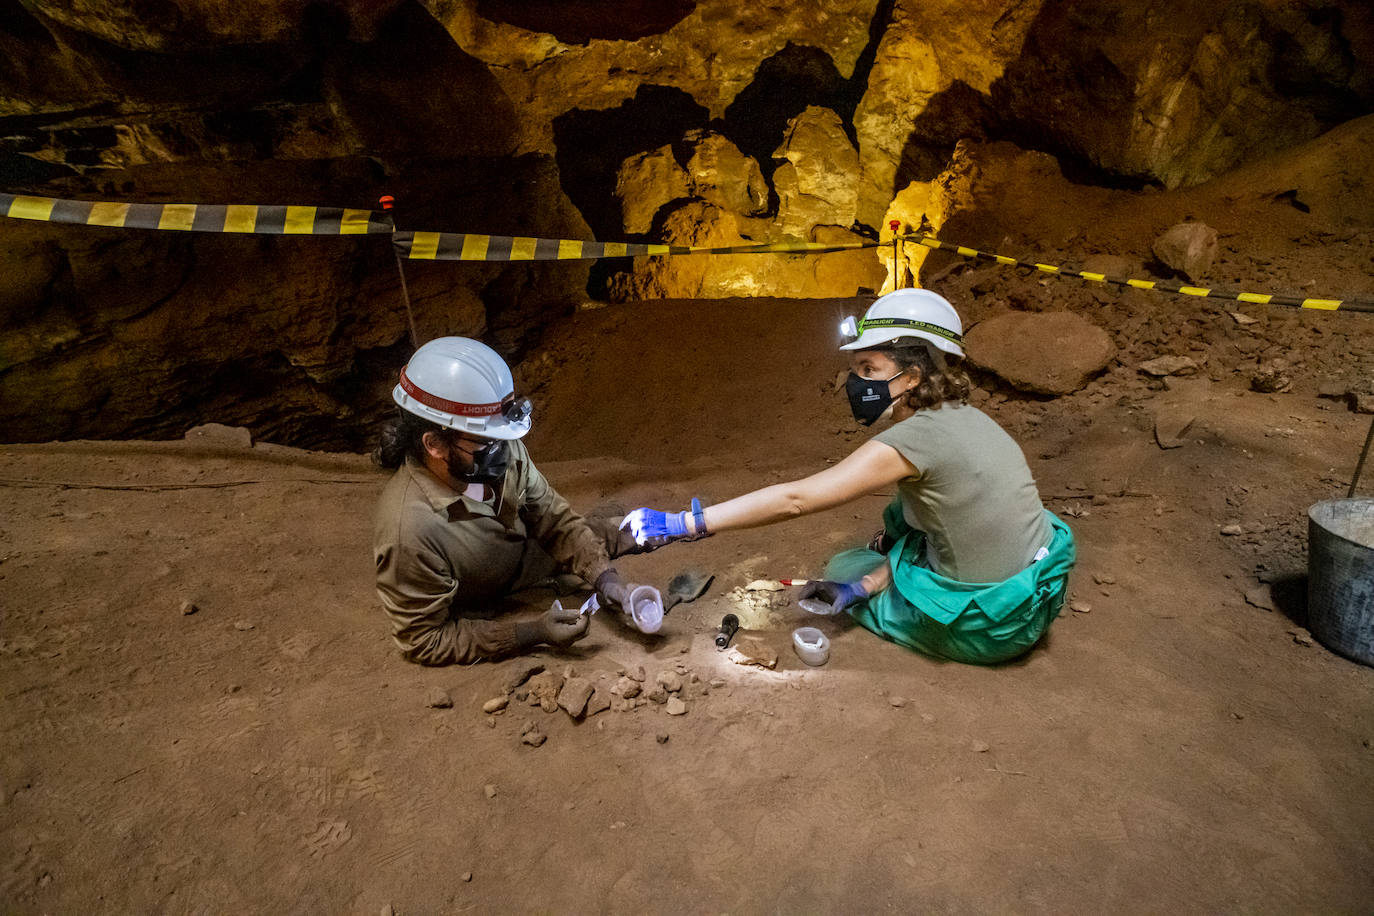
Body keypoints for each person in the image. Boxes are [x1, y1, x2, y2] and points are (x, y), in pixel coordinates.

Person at [621, 289, 1075, 665]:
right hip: (1036, 596)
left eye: (869, 370)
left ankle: (899, 603)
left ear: (913, 375)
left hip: (993, 629)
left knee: (844, 563)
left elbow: (797, 499)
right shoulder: (965, 418)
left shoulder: (916, 440)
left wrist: (684, 524)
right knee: (903, 518)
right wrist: (866, 586)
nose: (856, 382)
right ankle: (882, 582)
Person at [372, 336, 649, 665]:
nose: (502, 450)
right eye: (485, 441)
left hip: (523, 557)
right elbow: (425, 639)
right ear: (434, 444)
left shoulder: (495, 447)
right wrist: (529, 634)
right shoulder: (411, 531)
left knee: (612, 531)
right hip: (484, 595)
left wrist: (607, 581)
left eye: (502, 436)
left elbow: (553, 519)